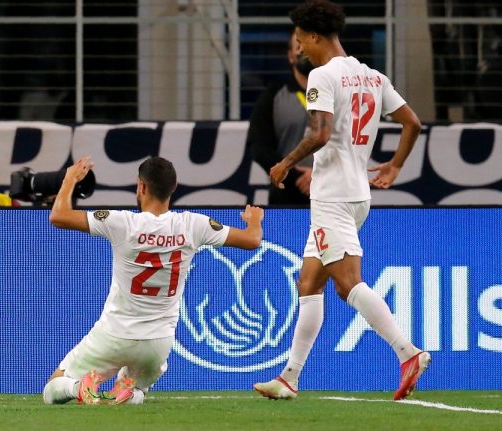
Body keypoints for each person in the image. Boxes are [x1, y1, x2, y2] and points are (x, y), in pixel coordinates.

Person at [254, 0, 428, 401]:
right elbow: (412, 123)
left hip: (332, 196)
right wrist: (394, 167)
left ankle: (407, 351)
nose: (300, 50)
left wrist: (284, 163)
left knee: (348, 284)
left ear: (314, 37)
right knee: (309, 281)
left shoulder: (322, 76)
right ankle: (289, 377)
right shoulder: (372, 76)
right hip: (356, 195)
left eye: (301, 42)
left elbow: (319, 133)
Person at [42, 156, 265, 405]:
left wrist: (70, 179)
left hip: (115, 333)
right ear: (174, 187)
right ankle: (131, 392)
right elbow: (252, 240)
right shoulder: (194, 225)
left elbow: (58, 216)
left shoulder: (122, 223)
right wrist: (254, 220)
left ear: (141, 186)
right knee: (134, 390)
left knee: (53, 388)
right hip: (158, 342)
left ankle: (78, 387)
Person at [248, 30, 315, 205]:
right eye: (298, 46)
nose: (302, 50)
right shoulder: (274, 95)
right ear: (290, 56)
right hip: (287, 193)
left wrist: (320, 175)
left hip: (332, 193)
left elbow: (350, 143)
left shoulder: (338, 94)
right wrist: (295, 176)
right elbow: (259, 146)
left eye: (307, 45)